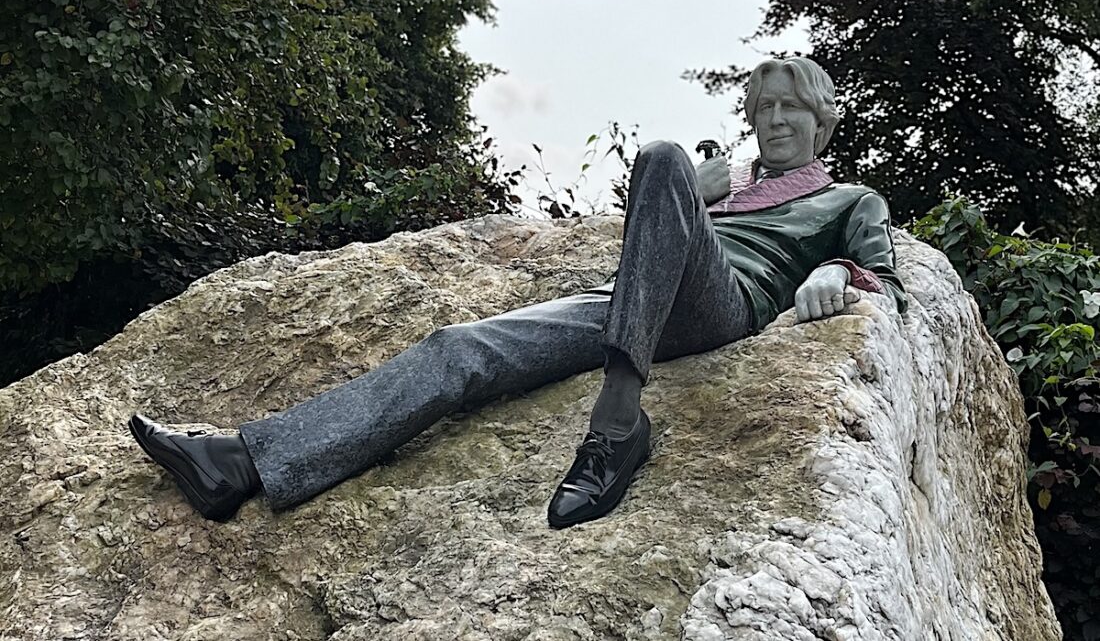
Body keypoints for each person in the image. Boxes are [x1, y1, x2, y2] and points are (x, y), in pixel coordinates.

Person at [128, 56, 907, 528]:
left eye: (790, 109)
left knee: (662, 153)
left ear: (823, 121)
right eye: (763, 108)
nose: (773, 121)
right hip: (630, 302)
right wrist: (698, 195)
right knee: (459, 347)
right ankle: (240, 462)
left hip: (724, 304)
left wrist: (837, 270)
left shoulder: (847, 200)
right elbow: (649, 240)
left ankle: (616, 424)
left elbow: (891, 281)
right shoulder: (716, 184)